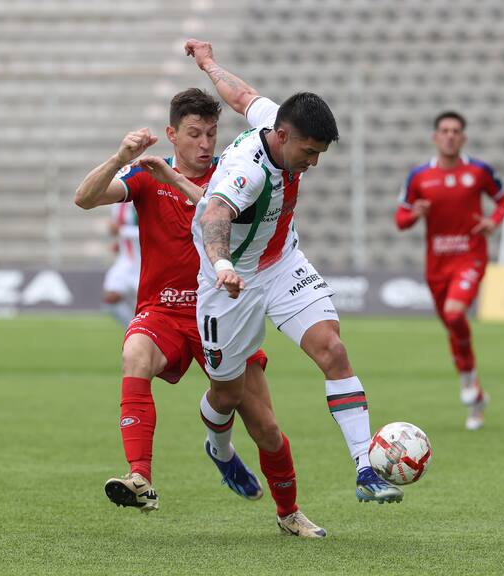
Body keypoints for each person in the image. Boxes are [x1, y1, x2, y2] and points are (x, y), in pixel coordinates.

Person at [74, 88, 326, 537]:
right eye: (194, 134)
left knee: (266, 427)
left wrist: (177, 180)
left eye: (211, 133)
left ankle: (288, 512)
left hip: (226, 311)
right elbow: (85, 198)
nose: (205, 143)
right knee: (135, 355)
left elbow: (219, 207)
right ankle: (140, 478)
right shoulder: (147, 177)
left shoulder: (234, 173)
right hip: (164, 312)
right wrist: (119, 158)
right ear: (172, 134)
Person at [183, 38, 403, 504]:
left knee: (333, 350)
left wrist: (208, 64)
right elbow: (214, 214)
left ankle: (366, 468)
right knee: (226, 395)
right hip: (230, 283)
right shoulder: (249, 171)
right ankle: (220, 450)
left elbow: (241, 96)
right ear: (283, 137)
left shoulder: (274, 120)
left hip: (282, 264)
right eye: (309, 151)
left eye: (320, 152)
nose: (314, 163)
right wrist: (222, 264)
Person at [395, 111, 504, 430]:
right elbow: (400, 220)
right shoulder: (419, 177)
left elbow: (503, 202)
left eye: (455, 131)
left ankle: (470, 387)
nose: (449, 135)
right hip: (437, 266)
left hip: (470, 257)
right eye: (444, 130)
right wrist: (415, 213)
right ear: (435, 137)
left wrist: (493, 222)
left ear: (463, 138)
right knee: (452, 326)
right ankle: (474, 394)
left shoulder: (479, 171)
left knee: (456, 314)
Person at [102, 201, 140, 327]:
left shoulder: (146, 197)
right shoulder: (118, 202)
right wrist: (120, 243)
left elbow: (154, 230)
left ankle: (143, 334)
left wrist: (122, 231)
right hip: (126, 260)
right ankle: (133, 329)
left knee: (144, 307)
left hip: (145, 263)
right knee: (110, 299)